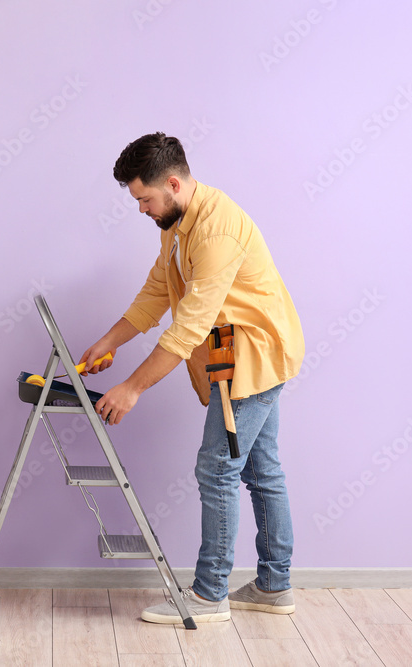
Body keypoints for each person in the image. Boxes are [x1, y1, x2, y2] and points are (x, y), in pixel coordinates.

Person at [79, 132, 305, 624]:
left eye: (144, 198)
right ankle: (273, 586)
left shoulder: (215, 232)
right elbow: (157, 291)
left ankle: (208, 596)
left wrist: (132, 388)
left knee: (217, 469)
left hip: (250, 359)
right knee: (261, 470)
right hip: (235, 354)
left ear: (174, 184)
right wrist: (109, 341)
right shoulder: (177, 222)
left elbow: (188, 327)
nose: (140, 209)